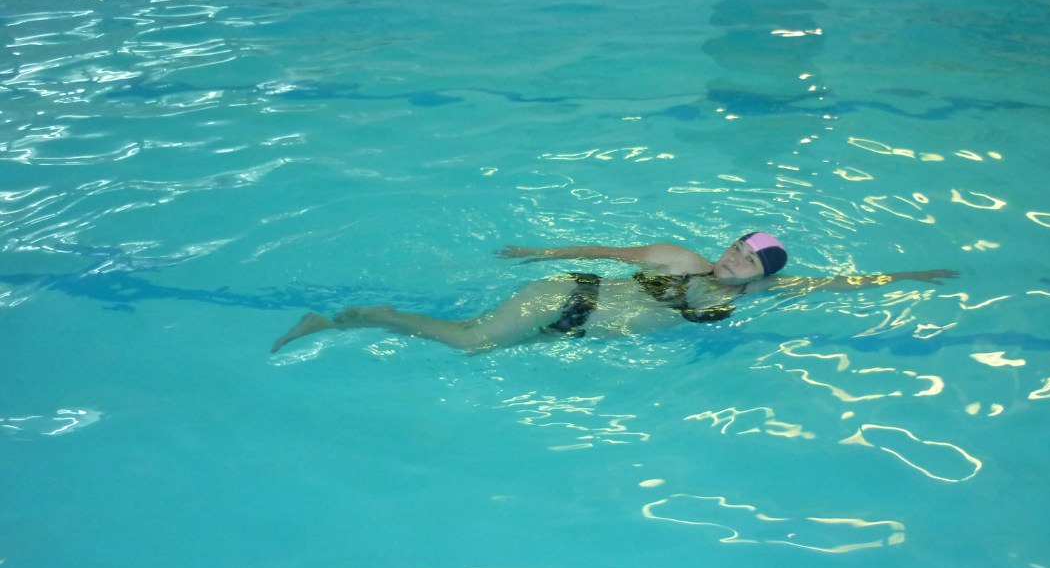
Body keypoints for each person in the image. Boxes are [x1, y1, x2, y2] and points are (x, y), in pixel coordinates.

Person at [270, 231, 958, 354]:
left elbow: (839, 284)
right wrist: (540, 253)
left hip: (573, 329)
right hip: (566, 299)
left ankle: (341, 323)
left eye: (748, 261)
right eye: (735, 248)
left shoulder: (752, 297)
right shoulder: (683, 261)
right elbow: (607, 253)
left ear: (763, 276)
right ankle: (368, 316)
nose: (732, 260)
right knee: (471, 344)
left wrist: (910, 278)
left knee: (482, 342)